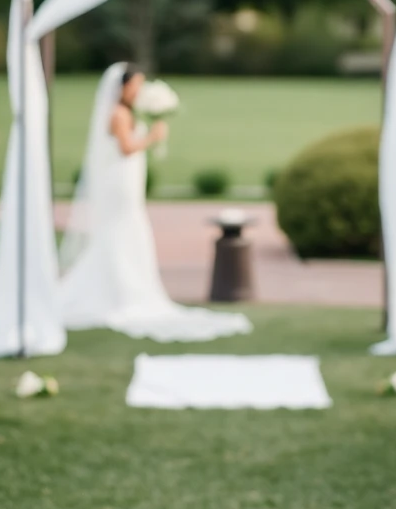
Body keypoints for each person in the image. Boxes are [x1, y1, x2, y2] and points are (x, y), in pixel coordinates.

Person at [58, 63, 252, 341]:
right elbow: (126, 147)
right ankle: (122, 291)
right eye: (134, 85)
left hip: (127, 181)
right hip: (120, 183)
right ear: (121, 87)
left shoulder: (128, 112)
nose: (138, 90)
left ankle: (128, 287)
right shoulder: (119, 114)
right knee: (121, 231)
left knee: (127, 231)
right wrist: (152, 137)